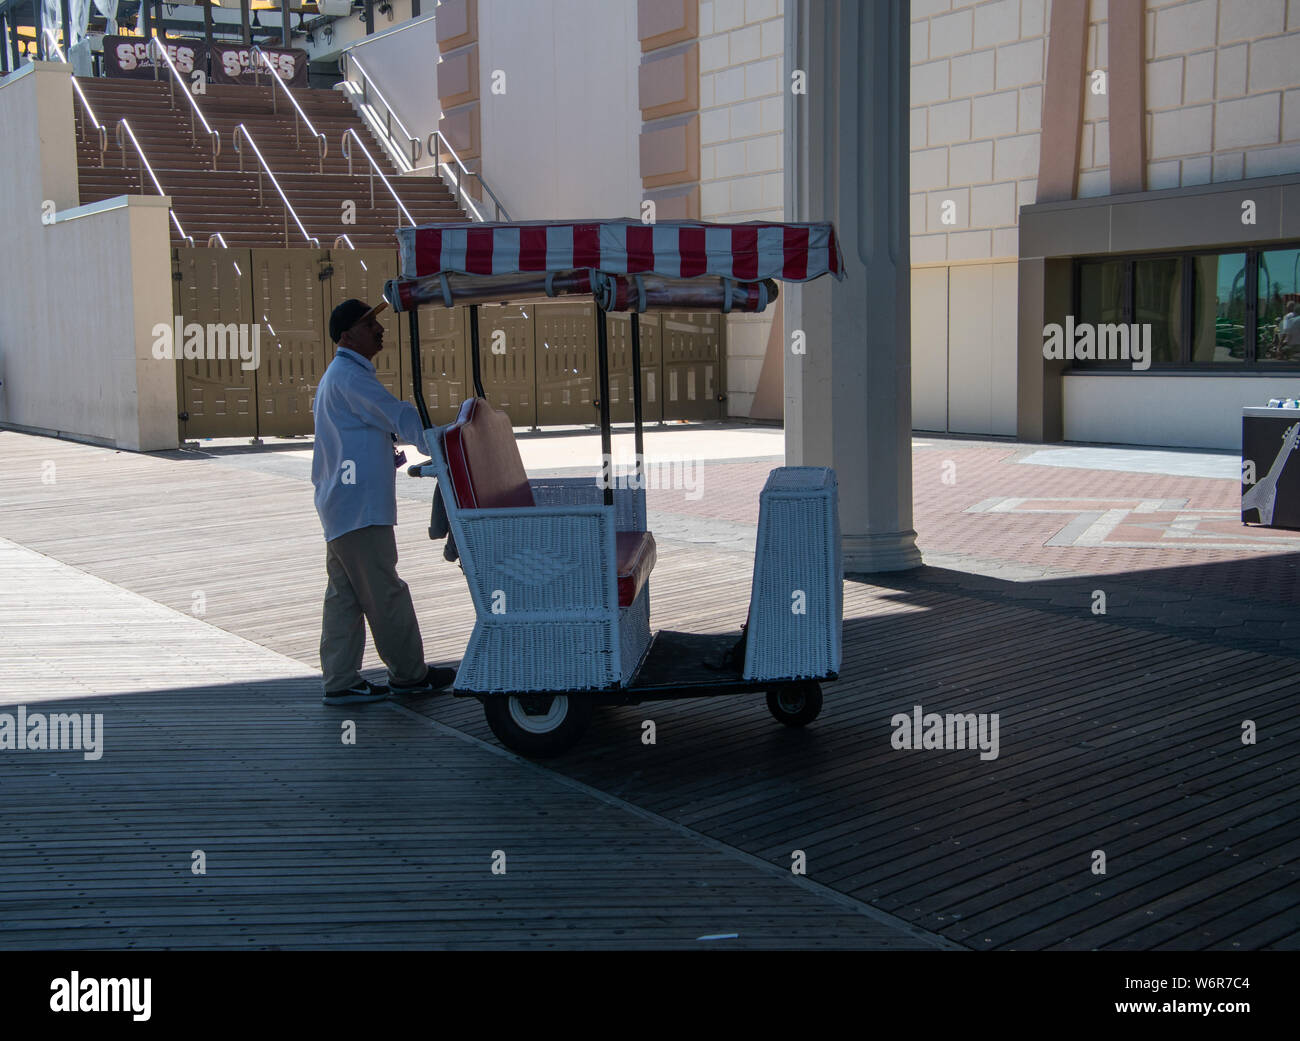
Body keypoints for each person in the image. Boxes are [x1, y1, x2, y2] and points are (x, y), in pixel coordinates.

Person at [312, 298, 455, 705]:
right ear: (346, 335)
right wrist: (445, 444)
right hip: (359, 508)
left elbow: (366, 428)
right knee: (384, 593)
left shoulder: (340, 375)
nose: (379, 328)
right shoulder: (351, 378)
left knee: (345, 596)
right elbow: (397, 415)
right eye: (368, 323)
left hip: (341, 504)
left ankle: (340, 680)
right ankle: (410, 675)